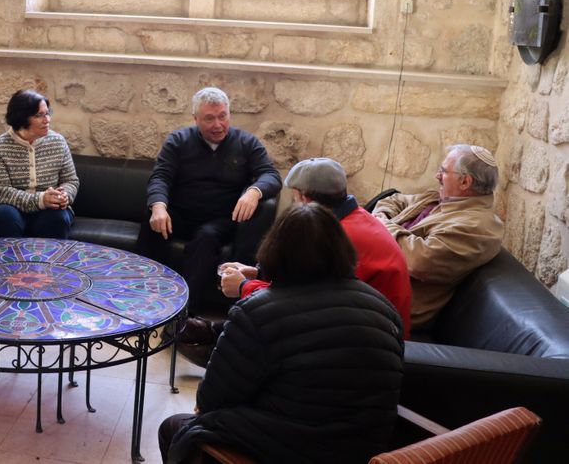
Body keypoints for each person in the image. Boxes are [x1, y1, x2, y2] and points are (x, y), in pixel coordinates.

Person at [158, 204, 404, 464]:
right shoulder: (384, 308)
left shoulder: (259, 310)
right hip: (365, 451)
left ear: (274, 251)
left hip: (292, 448)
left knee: (174, 428)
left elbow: (211, 400)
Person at [223, 157, 411, 338]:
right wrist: (258, 275)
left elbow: (301, 302)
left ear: (304, 198)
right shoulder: (355, 218)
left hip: (367, 338)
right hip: (372, 327)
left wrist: (244, 287)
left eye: (294, 196)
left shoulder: (337, 237)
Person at [137, 87, 281, 310]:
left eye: (223, 116)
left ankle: (185, 311)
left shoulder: (246, 143)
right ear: (195, 119)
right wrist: (158, 206)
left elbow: (271, 175)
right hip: (181, 214)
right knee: (152, 218)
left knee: (206, 237)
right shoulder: (178, 141)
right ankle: (142, 295)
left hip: (219, 220)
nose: (218, 124)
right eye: (209, 118)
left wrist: (254, 192)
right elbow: (160, 177)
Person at [372, 144, 504, 330]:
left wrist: (381, 226)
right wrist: (382, 218)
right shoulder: (440, 199)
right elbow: (393, 200)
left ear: (465, 182)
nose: (437, 176)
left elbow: (420, 259)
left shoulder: (478, 226)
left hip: (389, 306)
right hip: (373, 281)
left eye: (443, 171)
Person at [0, 89, 79, 238]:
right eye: (39, 115)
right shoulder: (0, 145)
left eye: (47, 113)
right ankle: (10, 262)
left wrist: (64, 195)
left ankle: (48, 262)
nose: (47, 120)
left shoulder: (58, 142)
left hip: (47, 209)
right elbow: (0, 190)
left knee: (57, 218)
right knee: (5, 217)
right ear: (22, 118)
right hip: (7, 206)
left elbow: (70, 180)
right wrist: (40, 200)